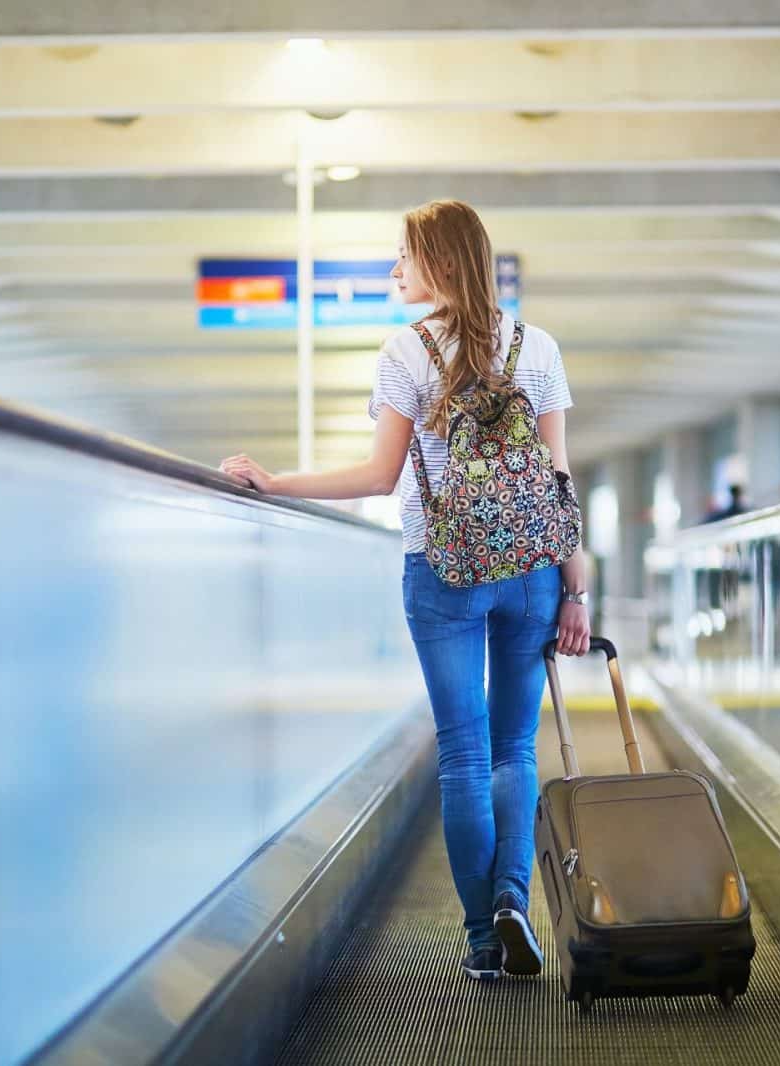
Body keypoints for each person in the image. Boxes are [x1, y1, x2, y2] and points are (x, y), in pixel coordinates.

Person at [220, 200, 591, 983]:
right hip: (531, 572)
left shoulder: (405, 353)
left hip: (442, 569)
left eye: (403, 256)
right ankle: (515, 901)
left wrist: (277, 482)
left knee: (463, 755)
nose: (394, 271)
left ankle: (484, 943)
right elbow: (559, 478)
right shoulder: (539, 346)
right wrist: (576, 587)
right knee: (515, 749)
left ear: (444, 264)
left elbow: (379, 476)